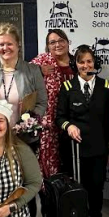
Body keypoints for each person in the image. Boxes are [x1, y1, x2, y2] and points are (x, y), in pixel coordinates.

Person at [56, 44, 109, 217]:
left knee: (97, 185)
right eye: (81, 61)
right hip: (75, 149)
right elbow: (60, 117)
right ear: (76, 64)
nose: (85, 65)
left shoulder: (106, 87)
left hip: (98, 147)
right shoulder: (67, 87)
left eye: (89, 61)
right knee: (77, 186)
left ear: (94, 63)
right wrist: (68, 126)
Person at [31, 29, 76, 178]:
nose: (57, 44)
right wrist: (39, 70)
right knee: (49, 164)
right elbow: (22, 73)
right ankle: (51, 195)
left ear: (67, 42)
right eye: (53, 42)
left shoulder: (77, 62)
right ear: (48, 46)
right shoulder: (42, 61)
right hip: (49, 121)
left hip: (72, 120)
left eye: (61, 40)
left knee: (71, 163)